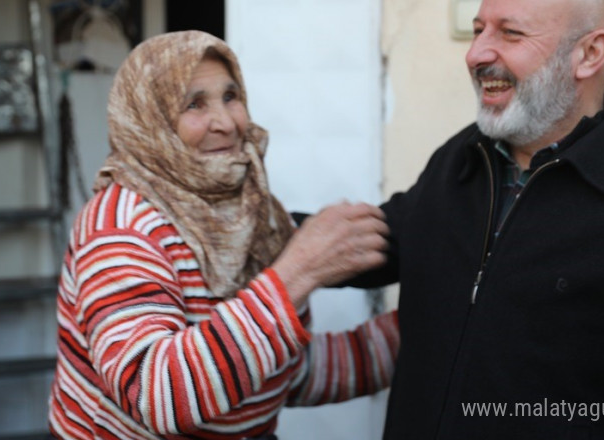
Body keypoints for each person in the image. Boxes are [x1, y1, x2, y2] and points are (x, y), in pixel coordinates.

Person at [354, 0, 604, 438]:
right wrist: (265, 228)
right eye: (479, 30)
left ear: (589, 54)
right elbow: (371, 242)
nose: (476, 53)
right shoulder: (464, 157)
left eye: (510, 34)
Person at [47, 31, 399, 439]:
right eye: (194, 104)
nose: (227, 123)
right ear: (151, 118)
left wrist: (425, 326)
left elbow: (278, 372)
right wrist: (297, 272)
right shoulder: (121, 226)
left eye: (231, 97)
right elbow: (156, 394)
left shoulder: (252, 210)